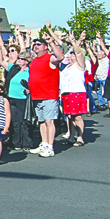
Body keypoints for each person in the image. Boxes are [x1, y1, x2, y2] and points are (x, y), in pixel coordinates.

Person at [27, 28, 65, 158]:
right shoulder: (34, 61)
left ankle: (50, 146)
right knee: (41, 121)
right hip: (37, 95)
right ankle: (44, 143)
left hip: (49, 95)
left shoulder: (50, 58)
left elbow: (60, 57)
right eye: (35, 44)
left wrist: (51, 42)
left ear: (45, 47)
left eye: (39, 44)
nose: (36, 46)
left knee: (49, 121)